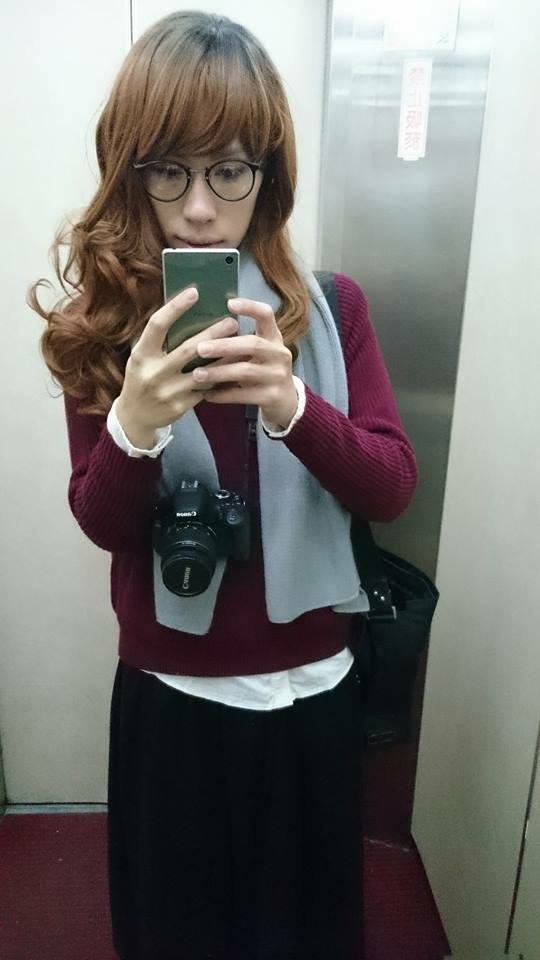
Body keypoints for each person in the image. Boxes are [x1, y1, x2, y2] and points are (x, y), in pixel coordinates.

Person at [29, 11, 418, 960]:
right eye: (169, 170)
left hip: (316, 693)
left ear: (267, 175)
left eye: (229, 170)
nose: (200, 208)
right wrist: (134, 424)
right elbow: (101, 521)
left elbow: (392, 488)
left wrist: (292, 405)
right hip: (174, 700)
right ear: (131, 172)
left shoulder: (332, 310)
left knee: (310, 935)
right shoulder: (101, 325)